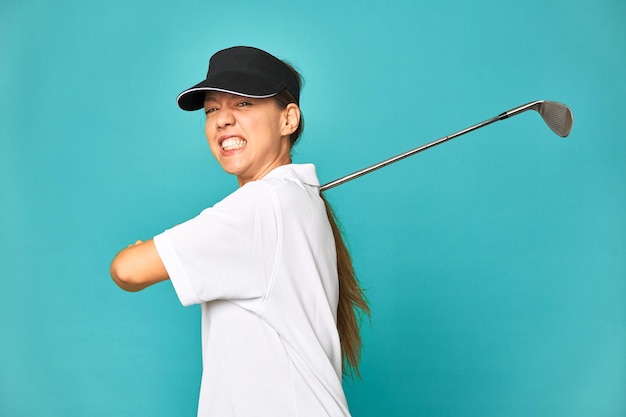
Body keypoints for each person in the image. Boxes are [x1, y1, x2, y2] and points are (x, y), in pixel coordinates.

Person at [110, 46, 369, 417]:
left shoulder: (262, 206)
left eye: (244, 104)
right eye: (212, 109)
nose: (222, 120)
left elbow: (127, 270)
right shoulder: (291, 201)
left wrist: (140, 250)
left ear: (288, 120)